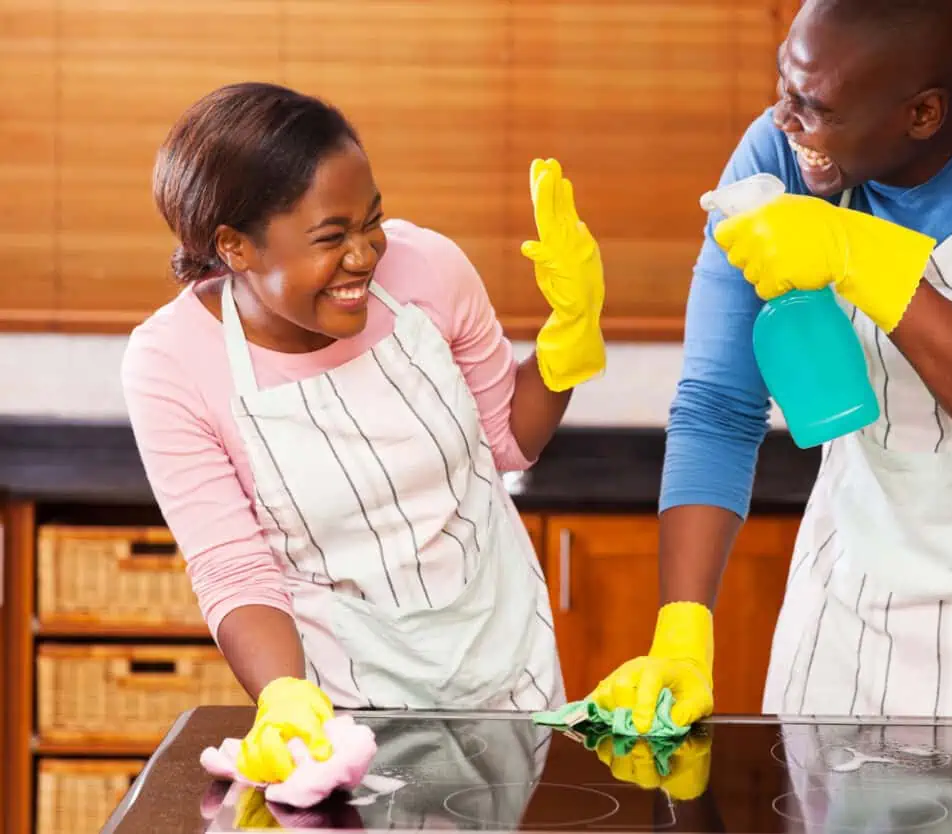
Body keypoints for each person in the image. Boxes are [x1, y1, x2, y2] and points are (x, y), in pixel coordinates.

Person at [592, 0, 952, 729]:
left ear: (922, 114)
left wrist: (858, 256)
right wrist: (683, 631)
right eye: (785, 87)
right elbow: (718, 405)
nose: (784, 121)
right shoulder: (777, 155)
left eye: (814, 108)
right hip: (855, 599)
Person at [121, 81, 605, 781]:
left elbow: (507, 442)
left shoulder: (429, 269)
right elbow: (234, 567)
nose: (364, 254)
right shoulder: (172, 362)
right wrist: (285, 696)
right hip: (344, 713)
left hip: (507, 668)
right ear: (236, 248)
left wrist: (567, 341)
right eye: (330, 237)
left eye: (370, 221)